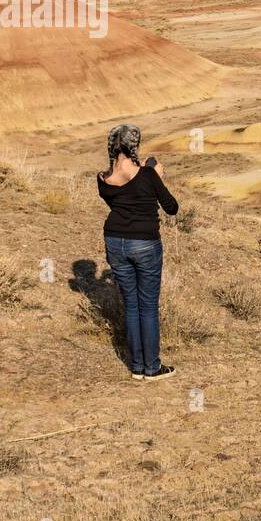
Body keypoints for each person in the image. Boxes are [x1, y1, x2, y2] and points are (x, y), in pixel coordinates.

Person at [97, 123, 179, 381]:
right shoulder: (148, 175)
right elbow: (171, 208)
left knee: (131, 305)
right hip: (144, 243)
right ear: (135, 145)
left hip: (114, 241)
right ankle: (152, 368)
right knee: (148, 306)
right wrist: (157, 177)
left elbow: (120, 200)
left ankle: (136, 366)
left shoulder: (103, 178)